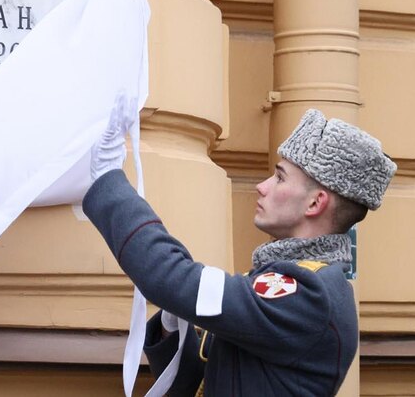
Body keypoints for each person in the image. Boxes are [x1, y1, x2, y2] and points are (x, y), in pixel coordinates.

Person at [82, 104, 395, 396]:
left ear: (315, 203)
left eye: (280, 177)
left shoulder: (309, 294)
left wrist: (108, 180)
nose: (263, 186)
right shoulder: (288, 281)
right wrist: (171, 323)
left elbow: (172, 277)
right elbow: (203, 380)